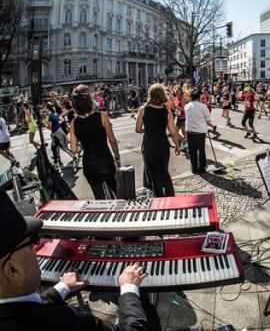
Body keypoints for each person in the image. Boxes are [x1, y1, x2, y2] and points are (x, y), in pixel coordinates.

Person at [0, 190, 159, 331]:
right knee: (147, 310)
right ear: (12, 270)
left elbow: (27, 309)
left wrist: (61, 288)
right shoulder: (65, 322)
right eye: (32, 243)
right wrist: (129, 289)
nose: (38, 246)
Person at [69, 85, 120, 199]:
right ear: (89, 100)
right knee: (115, 193)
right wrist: (117, 157)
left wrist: (82, 141)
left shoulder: (74, 123)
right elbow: (112, 140)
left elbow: (74, 149)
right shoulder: (101, 116)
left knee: (99, 198)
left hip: (89, 164)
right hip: (105, 161)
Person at [135, 84, 180, 197]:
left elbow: (138, 129)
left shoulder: (143, 110)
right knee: (164, 173)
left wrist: (147, 130)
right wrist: (178, 146)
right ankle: (172, 198)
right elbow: (173, 132)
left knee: (154, 176)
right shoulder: (167, 111)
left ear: (150, 95)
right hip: (163, 145)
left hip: (149, 146)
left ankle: (160, 202)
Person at [185, 88, 216, 175]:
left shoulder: (187, 106)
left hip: (190, 132)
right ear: (199, 97)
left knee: (192, 152)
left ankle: (194, 169)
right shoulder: (203, 106)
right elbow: (208, 119)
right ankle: (202, 169)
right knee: (201, 151)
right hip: (200, 132)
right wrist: (211, 126)